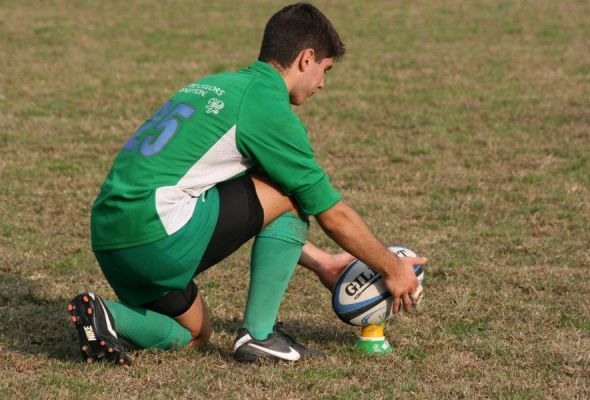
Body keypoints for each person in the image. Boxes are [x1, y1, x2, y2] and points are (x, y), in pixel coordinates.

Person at [67, 2, 427, 365]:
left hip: (111, 237)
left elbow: (250, 207)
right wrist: (391, 267)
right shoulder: (266, 106)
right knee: (294, 192)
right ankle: (259, 335)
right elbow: (330, 213)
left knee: (195, 334)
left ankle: (106, 315)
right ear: (307, 58)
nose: (322, 83)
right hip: (156, 235)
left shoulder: (216, 84)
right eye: (325, 70)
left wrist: (321, 263)